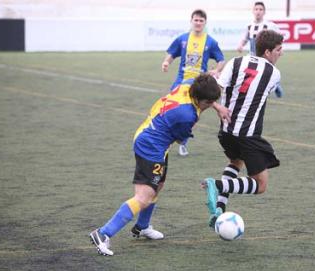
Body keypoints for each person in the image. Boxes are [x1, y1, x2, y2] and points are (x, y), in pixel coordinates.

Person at [90, 74, 230, 256]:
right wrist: (208, 111)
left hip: (152, 137)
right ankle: (102, 234)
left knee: (159, 185)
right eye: (209, 103)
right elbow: (181, 140)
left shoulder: (188, 85)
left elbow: (203, 85)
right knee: (144, 196)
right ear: (201, 99)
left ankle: (142, 226)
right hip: (151, 147)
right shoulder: (187, 115)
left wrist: (217, 106)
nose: (210, 106)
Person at [202, 29, 284, 228]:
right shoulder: (274, 73)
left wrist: (218, 106)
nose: (281, 53)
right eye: (279, 50)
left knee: (236, 162)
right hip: (248, 135)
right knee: (261, 185)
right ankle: (217, 185)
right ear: (267, 52)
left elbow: (213, 90)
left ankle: (219, 210)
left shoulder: (235, 62)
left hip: (226, 130)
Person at [162, 9, 225, 157]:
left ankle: (183, 142)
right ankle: (169, 138)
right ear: (191, 21)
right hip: (181, 81)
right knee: (170, 108)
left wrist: (216, 70)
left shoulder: (210, 41)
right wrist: (166, 62)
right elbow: (172, 53)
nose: (198, 23)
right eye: (195, 20)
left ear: (205, 23)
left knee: (193, 114)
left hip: (199, 84)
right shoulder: (183, 39)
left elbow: (221, 60)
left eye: (201, 21)